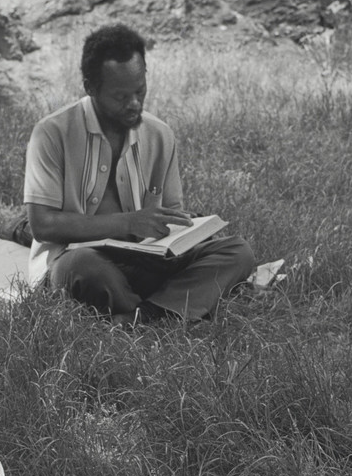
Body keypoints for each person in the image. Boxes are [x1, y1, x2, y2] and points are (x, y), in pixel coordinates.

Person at [23, 24, 258, 322]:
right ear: (90, 88)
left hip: (144, 262)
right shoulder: (51, 134)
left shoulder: (160, 134)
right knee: (81, 266)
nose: (134, 104)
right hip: (77, 261)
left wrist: (180, 231)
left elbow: (172, 214)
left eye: (140, 91)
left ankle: (143, 316)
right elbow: (43, 225)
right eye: (121, 97)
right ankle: (169, 310)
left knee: (238, 251)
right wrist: (130, 222)